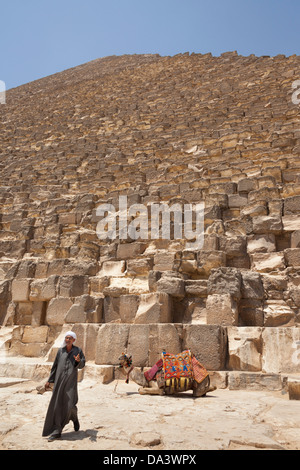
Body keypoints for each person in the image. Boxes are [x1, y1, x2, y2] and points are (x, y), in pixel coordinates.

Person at [42, 330, 85, 442]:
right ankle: (57, 431)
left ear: (74, 340)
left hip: (70, 383)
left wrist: (78, 361)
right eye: (66, 338)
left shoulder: (78, 350)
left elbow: (82, 364)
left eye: (70, 338)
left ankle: (74, 418)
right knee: (57, 405)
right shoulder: (60, 351)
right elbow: (55, 367)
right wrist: (50, 380)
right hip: (59, 382)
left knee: (70, 405)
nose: (68, 340)